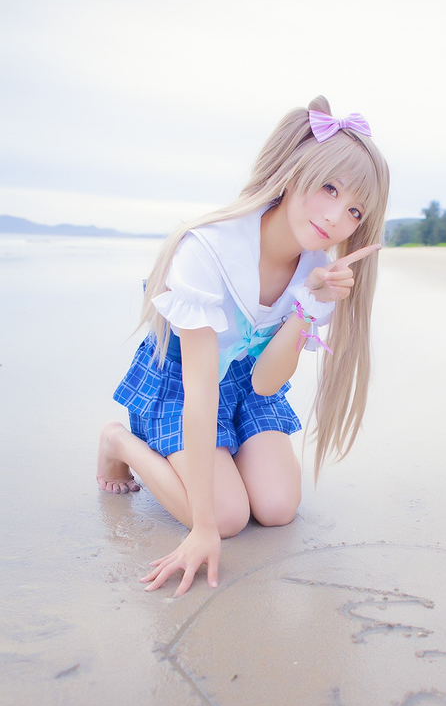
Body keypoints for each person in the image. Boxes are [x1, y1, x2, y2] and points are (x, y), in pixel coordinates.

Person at [97, 96, 390, 596]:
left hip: (246, 382)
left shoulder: (318, 272)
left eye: (354, 210)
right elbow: (200, 389)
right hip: (184, 381)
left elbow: (266, 382)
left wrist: (308, 303)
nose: (336, 216)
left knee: (277, 508)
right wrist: (203, 528)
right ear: (295, 172)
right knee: (228, 516)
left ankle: (216, 463)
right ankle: (119, 441)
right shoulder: (208, 249)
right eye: (329, 187)